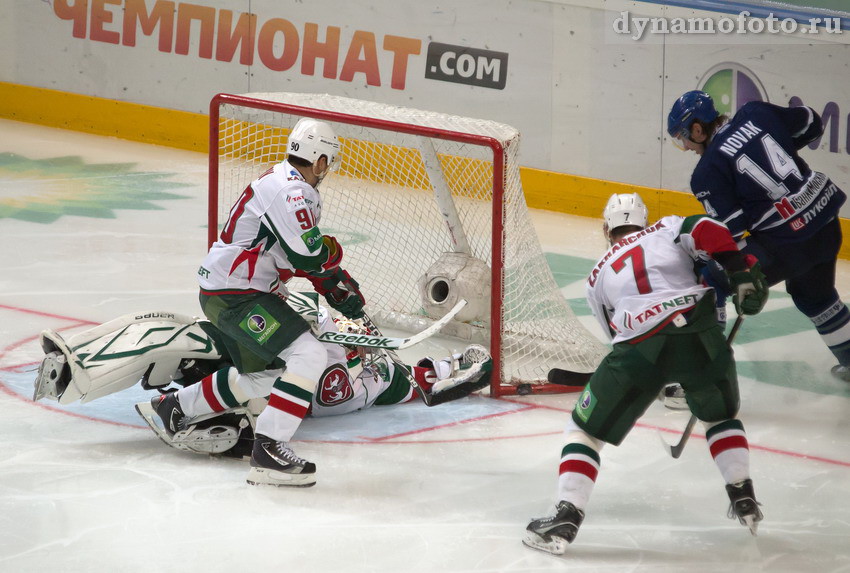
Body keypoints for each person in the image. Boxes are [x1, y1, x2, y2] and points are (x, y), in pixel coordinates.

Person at [523, 193, 770, 555]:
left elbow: (619, 340)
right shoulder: (666, 228)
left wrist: (657, 379)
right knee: (719, 417)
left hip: (640, 345)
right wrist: (740, 271)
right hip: (701, 332)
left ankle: (566, 516)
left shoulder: (596, 277)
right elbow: (707, 228)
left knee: (585, 430)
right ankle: (742, 493)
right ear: (644, 220)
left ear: (606, 229)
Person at [151, 118, 370, 487]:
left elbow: (292, 257)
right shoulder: (292, 193)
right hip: (238, 295)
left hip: (228, 291)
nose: (327, 170)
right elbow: (308, 253)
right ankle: (269, 448)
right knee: (309, 355)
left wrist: (334, 283)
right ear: (318, 161)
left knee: (264, 376)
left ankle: (176, 406)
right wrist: (333, 267)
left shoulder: (283, 183)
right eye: (327, 162)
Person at [33, 294, 493, 463]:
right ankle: (75, 365)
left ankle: (189, 417)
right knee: (172, 331)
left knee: (244, 412)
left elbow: (427, 378)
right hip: (254, 348)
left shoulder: (382, 379)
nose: (360, 345)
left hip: (259, 380)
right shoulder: (340, 343)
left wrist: (463, 371)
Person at [667, 90, 850, 382]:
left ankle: (702, 376)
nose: (687, 147)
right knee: (815, 297)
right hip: (826, 224)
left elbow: (730, 239)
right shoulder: (756, 112)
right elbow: (812, 122)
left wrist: (736, 274)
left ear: (698, 129)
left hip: (787, 244)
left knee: (711, 283)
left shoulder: (707, 171)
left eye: (684, 138)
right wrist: (783, 146)